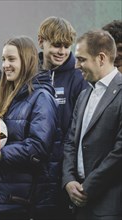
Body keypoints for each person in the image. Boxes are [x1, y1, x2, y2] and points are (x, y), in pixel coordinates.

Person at [0, 36, 59, 220]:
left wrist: (0, 155)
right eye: (3, 59)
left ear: (27, 60)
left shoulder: (41, 97)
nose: (5, 65)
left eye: (11, 59)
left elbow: (39, 147)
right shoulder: (3, 96)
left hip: (23, 200)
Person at [62, 30, 122, 220]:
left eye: (81, 59)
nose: (76, 65)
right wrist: (69, 181)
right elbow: (71, 141)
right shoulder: (84, 94)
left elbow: (119, 152)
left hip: (108, 206)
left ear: (101, 58)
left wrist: (87, 188)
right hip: (78, 205)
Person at [37, 16, 89, 218]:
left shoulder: (79, 75)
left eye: (66, 46)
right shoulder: (30, 71)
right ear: (41, 41)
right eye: (56, 45)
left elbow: (79, 128)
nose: (62, 51)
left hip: (65, 169)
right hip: (35, 165)